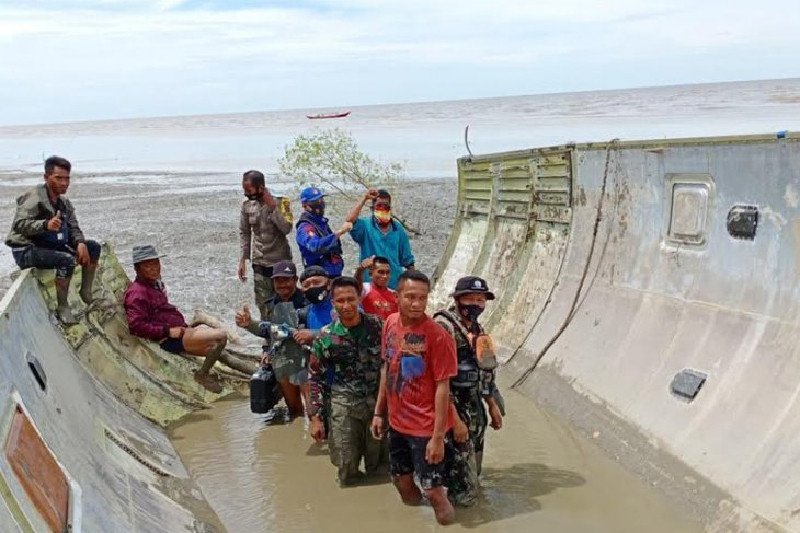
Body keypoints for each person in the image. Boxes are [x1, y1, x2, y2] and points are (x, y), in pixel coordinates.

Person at [371, 270, 457, 525]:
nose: (417, 304)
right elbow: (387, 369)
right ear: (396, 296)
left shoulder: (438, 335)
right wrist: (379, 412)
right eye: (410, 297)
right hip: (397, 424)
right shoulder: (389, 322)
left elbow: (443, 388)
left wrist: (438, 437)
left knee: (434, 493)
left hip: (426, 428)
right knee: (402, 483)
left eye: (422, 298)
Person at [308, 276, 387, 486]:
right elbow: (315, 377)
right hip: (343, 405)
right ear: (332, 303)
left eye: (351, 299)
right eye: (340, 301)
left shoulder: (379, 327)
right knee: (346, 468)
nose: (346, 305)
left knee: (381, 469)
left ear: (360, 298)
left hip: (377, 405)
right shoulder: (326, 336)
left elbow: (393, 367)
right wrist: (315, 417)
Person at [5, 156, 103, 324]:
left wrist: (80, 242)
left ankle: (85, 292)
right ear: (46, 177)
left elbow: (73, 226)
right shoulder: (34, 198)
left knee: (93, 248)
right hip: (26, 249)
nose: (64, 183)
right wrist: (45, 225)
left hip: (49, 243)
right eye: (59, 178)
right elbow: (19, 225)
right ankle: (63, 307)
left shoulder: (63, 203)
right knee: (66, 260)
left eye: (67, 178)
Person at [434, 276, 504, 507]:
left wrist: (492, 405)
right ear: (458, 299)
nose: (476, 303)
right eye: (470, 298)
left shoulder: (477, 329)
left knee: (474, 469)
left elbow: (485, 371)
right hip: (454, 411)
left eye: (481, 299)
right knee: (461, 482)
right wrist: (454, 421)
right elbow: (438, 380)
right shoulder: (444, 327)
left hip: (476, 410)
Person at [123, 245, 226, 393]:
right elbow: (136, 326)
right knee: (221, 336)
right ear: (137, 269)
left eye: (156, 263)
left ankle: (205, 373)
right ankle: (202, 376)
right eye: (148, 265)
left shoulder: (155, 285)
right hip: (169, 339)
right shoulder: (137, 293)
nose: (154, 268)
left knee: (214, 348)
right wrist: (167, 331)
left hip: (181, 332)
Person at [235, 260, 311, 417]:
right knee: (294, 409)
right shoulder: (269, 304)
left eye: (286, 279)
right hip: (282, 359)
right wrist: (265, 349)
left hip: (306, 358)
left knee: (313, 409)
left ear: (295, 280)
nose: (282, 284)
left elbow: (280, 330)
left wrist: (253, 325)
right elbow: (268, 332)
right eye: (278, 280)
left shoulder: (307, 301)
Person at [238, 170, 294, 321]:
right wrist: (243, 259)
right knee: (263, 303)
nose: (246, 194)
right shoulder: (247, 206)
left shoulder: (282, 202)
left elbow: (286, 228)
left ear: (261, 187)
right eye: (244, 190)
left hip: (280, 262)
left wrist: (273, 208)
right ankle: (267, 338)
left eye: (248, 190)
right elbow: (245, 232)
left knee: (285, 302)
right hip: (259, 262)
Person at [345, 188, 414, 290]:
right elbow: (350, 220)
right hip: (369, 285)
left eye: (386, 206)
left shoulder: (397, 228)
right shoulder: (365, 226)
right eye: (379, 205)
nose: (383, 208)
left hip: (394, 284)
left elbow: (408, 261)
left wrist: (412, 284)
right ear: (373, 208)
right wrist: (364, 198)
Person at [295, 186, 352, 277]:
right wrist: (340, 232)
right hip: (318, 277)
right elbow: (314, 245)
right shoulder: (305, 227)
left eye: (321, 200)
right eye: (315, 202)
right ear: (304, 205)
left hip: (333, 274)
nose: (320, 204)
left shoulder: (321, 223)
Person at [354, 255, 397, 320]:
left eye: (387, 272)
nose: (385, 276)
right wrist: (361, 269)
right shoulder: (365, 289)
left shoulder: (394, 294)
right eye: (381, 272)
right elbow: (355, 286)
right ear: (370, 273)